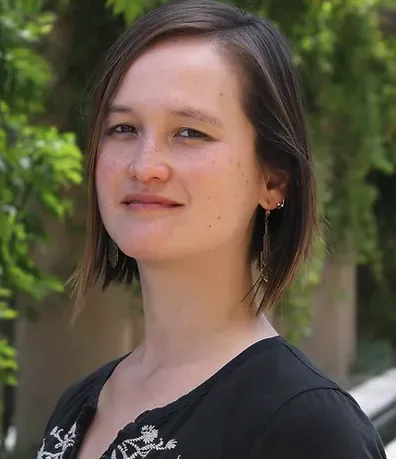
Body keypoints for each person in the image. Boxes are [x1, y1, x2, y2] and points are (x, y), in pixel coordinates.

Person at [36, 1, 387, 458]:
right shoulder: (76, 408)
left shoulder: (307, 429)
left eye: (189, 133)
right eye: (123, 128)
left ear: (272, 179)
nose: (145, 166)